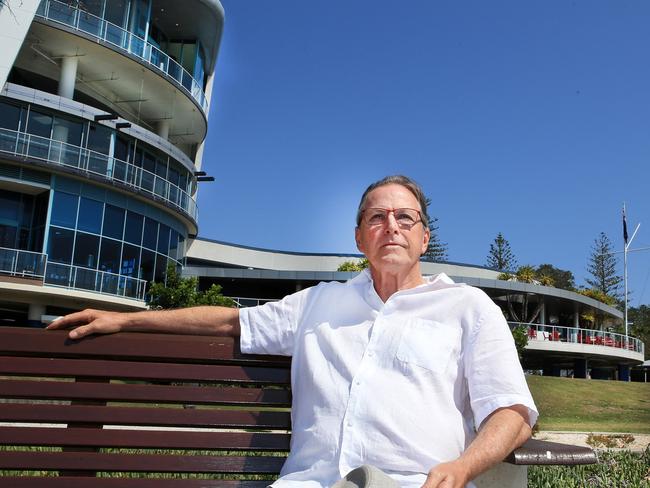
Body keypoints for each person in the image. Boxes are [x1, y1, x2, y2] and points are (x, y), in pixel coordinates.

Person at [48, 175, 538, 488]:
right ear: (358, 237)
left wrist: (463, 468)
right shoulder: (319, 303)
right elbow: (227, 319)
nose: (391, 226)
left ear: (424, 237)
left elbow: (513, 411)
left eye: (404, 218)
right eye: (376, 218)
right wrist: (127, 319)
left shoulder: (467, 307)